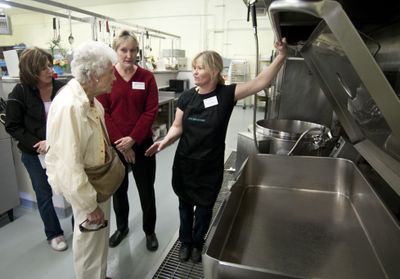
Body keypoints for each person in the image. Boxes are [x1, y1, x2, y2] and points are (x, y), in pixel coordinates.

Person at [145, 38, 288, 263]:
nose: (194, 72)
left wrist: (282, 55)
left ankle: (197, 242)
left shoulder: (227, 94)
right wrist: (165, 141)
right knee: (184, 206)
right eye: (194, 67)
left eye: (199, 68)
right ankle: (185, 241)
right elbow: (177, 126)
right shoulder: (187, 97)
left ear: (214, 71)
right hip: (186, 162)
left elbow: (261, 82)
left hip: (209, 165)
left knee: (204, 208)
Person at [45, 41, 117, 279]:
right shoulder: (71, 106)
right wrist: (89, 204)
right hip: (85, 187)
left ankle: (100, 275)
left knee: (97, 238)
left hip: (96, 183)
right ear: (95, 76)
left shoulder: (91, 101)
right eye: (110, 73)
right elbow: (68, 165)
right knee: (88, 242)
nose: (114, 78)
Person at [97, 30, 159, 251]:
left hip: (142, 145)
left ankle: (149, 231)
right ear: (116, 51)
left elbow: (150, 111)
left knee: (146, 189)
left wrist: (132, 139)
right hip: (116, 147)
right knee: (118, 190)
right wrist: (121, 145)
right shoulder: (107, 77)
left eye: (133, 50)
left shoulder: (147, 77)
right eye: (124, 50)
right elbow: (103, 112)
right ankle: (122, 227)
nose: (129, 54)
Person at [5, 47, 67, 252]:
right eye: (43, 68)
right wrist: (37, 144)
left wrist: (52, 141)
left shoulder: (62, 88)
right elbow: (12, 125)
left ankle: (80, 228)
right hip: (34, 155)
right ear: (32, 71)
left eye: (49, 65)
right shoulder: (20, 92)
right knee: (44, 193)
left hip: (62, 149)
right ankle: (54, 233)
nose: (50, 70)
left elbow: (71, 121)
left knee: (72, 187)